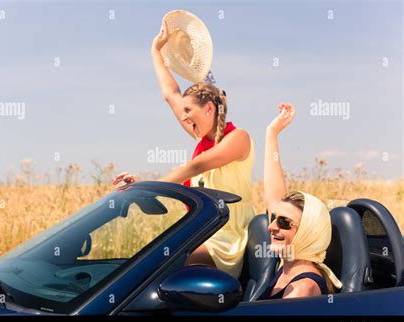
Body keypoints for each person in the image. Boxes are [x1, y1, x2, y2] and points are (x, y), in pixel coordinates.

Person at [112, 19, 255, 279]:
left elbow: (194, 167)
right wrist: (156, 51)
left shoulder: (239, 138)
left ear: (209, 109)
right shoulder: (202, 138)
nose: (184, 117)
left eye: (189, 111)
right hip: (201, 231)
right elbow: (170, 93)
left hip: (227, 238)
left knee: (167, 269)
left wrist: (146, 190)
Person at [258, 103, 342, 299]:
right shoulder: (288, 266)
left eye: (283, 222)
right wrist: (272, 133)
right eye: (274, 218)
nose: (271, 227)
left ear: (307, 233)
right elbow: (274, 196)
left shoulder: (302, 288)